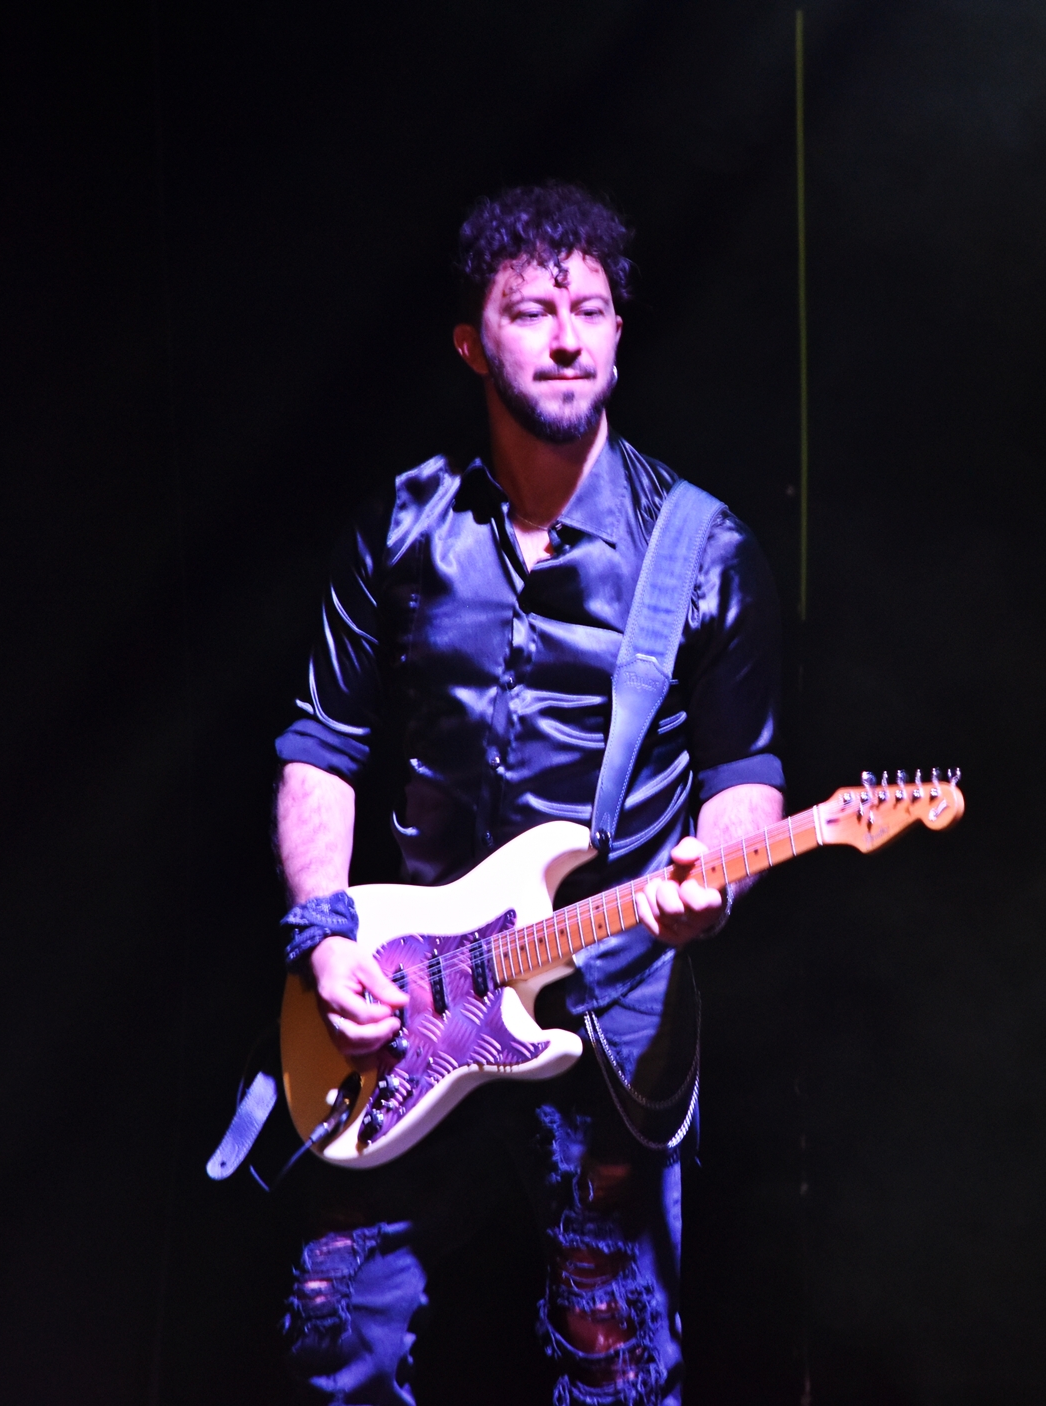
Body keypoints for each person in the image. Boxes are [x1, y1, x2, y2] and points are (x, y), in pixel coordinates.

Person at [273, 183, 784, 1406]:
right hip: (402, 1009)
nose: (566, 338)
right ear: (471, 343)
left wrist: (712, 889)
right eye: (531, 312)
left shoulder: (702, 549)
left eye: (590, 311)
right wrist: (324, 932)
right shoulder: (402, 526)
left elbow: (746, 778)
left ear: (619, 333)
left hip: (604, 1019)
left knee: (616, 1374)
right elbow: (320, 745)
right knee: (339, 1352)